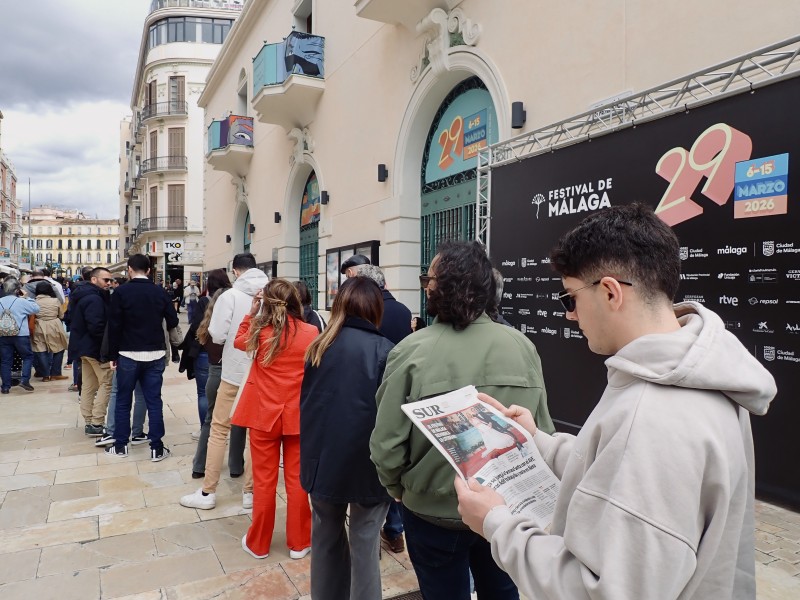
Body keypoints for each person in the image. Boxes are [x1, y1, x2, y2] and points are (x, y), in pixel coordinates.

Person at [455, 204, 777, 599]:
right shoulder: (700, 375)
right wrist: (538, 439)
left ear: (609, 291)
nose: (570, 316)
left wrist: (495, 523)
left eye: (569, 299)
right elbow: (612, 463)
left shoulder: (653, 417)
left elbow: (603, 591)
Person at [370, 240, 554, 600]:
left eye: (429, 279)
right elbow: (542, 430)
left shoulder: (411, 351)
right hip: (505, 509)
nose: (427, 287)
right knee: (503, 592)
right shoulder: (522, 346)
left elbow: (386, 444)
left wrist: (400, 491)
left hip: (432, 511)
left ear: (441, 288)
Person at [300, 276, 394, 599]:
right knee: (365, 540)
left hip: (323, 459)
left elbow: (310, 407)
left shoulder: (318, 346)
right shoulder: (385, 351)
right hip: (367, 463)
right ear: (375, 308)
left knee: (325, 538)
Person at [231, 278, 318, 560]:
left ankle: (259, 544)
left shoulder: (259, 331)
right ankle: (299, 542)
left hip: (263, 415)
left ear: (266, 304)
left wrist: (252, 311)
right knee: (297, 480)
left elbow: (237, 341)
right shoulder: (310, 331)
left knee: (264, 481)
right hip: (296, 415)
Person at [180, 253, 267, 509]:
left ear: (236, 271)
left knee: (219, 429)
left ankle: (208, 492)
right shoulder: (273, 293)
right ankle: (249, 492)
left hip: (233, 370)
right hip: (260, 372)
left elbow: (216, 334)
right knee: (255, 435)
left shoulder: (230, 296)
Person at [355, 263, 412, 554]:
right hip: (399, 392)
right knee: (396, 458)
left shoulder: (367, 310)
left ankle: (374, 531)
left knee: (376, 462)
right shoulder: (403, 310)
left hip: (371, 393)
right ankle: (395, 530)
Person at [106, 254, 179, 460]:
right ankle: (156, 448)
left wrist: (113, 355)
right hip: (155, 353)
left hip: (127, 353)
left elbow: (114, 325)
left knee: (123, 400)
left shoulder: (120, 292)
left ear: (129, 269)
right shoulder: (160, 292)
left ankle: (120, 445)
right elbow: (172, 320)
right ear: (149, 270)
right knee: (154, 400)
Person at [189, 270, 245, 479]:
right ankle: (236, 466)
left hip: (214, 372)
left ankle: (199, 465)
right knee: (238, 422)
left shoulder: (208, 328)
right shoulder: (234, 327)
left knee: (210, 420)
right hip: (232, 374)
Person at [69, 267, 113, 436]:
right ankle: (96, 422)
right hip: (95, 349)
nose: (109, 283)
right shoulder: (94, 299)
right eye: (105, 280)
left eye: (110, 280)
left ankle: (89, 421)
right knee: (106, 382)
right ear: (94, 280)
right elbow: (97, 327)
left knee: (89, 385)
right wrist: (106, 349)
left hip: (82, 347)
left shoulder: (81, 295)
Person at [0, 277, 39, 394]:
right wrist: (27, 297)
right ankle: (25, 380)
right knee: (27, 357)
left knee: (5, 360)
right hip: (20, 334)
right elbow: (36, 309)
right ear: (18, 290)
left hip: (2, 334)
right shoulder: (21, 301)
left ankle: (5, 386)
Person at [31, 281, 68, 382]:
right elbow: (61, 315)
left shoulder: (33, 301)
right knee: (59, 348)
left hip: (38, 325)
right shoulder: (55, 300)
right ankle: (55, 373)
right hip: (54, 325)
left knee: (40, 350)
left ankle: (45, 375)